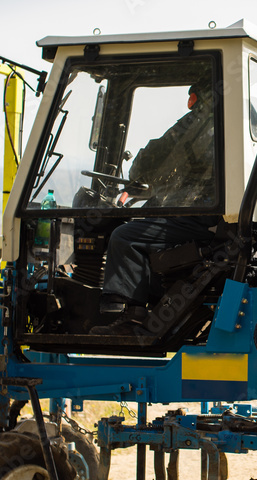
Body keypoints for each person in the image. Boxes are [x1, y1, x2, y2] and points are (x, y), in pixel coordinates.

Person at [93, 83, 220, 333]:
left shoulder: (199, 123)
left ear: (197, 97)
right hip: (209, 213)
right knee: (146, 218)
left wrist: (140, 172)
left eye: (191, 98)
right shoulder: (230, 120)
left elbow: (154, 157)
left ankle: (133, 316)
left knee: (124, 236)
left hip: (196, 213)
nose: (189, 103)